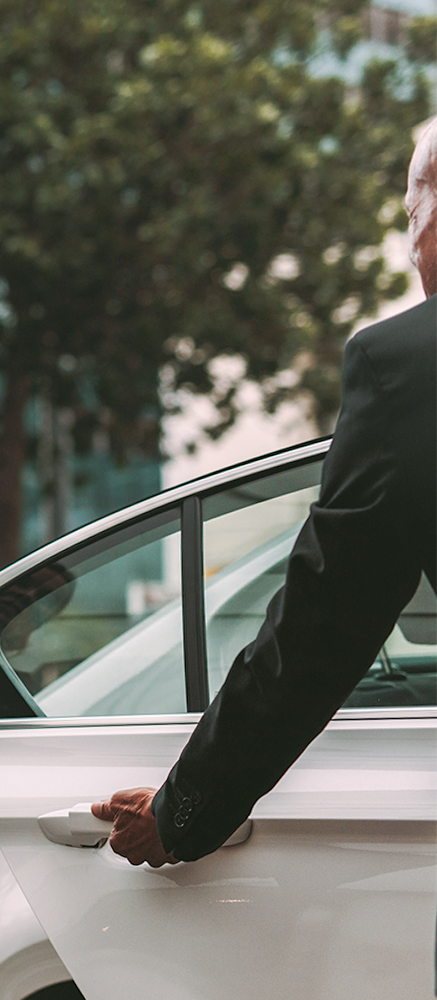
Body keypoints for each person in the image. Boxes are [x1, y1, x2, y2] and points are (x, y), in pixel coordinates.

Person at [94, 119, 437, 867]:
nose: (413, 255)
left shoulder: (407, 366)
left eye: (413, 220)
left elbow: (323, 624)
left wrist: (184, 809)